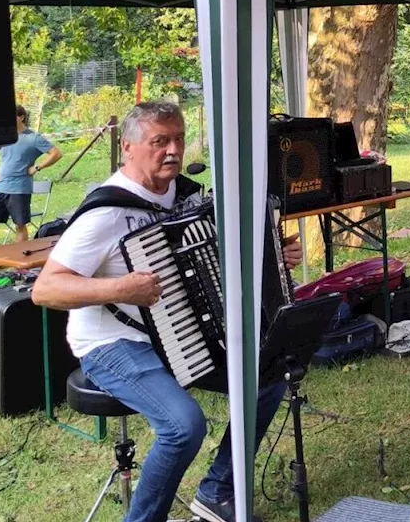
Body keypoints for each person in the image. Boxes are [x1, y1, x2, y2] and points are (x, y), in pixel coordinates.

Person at [31, 102, 302, 522]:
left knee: (269, 375)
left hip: (183, 332)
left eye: (177, 139)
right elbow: (45, 289)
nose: (172, 150)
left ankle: (217, 493)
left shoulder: (188, 197)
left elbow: (218, 262)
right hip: (111, 343)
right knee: (184, 426)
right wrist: (121, 287)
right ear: (128, 147)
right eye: (159, 141)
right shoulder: (105, 212)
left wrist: (272, 256)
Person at [0, 104, 61, 246]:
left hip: (19, 190)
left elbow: (56, 153)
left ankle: (19, 263)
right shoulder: (4, 136)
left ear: (21, 117)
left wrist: (37, 167)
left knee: (20, 226)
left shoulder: (33, 138)